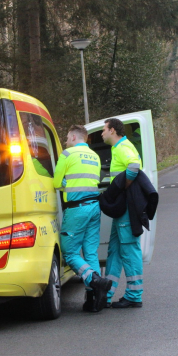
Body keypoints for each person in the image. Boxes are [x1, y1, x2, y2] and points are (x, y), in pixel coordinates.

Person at [53, 125, 112, 312]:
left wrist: (65, 184)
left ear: (72, 137)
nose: (65, 141)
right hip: (94, 208)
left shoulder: (68, 154)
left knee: (69, 253)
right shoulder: (94, 156)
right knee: (90, 253)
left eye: (66, 138)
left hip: (76, 209)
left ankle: (95, 281)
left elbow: (56, 182)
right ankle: (93, 300)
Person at [101, 118, 144, 308]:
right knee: (115, 251)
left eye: (103, 130)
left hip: (125, 207)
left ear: (112, 131)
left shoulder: (121, 147)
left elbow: (134, 166)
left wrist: (122, 187)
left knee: (129, 249)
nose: (101, 133)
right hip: (122, 209)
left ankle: (135, 296)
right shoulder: (119, 147)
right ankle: (107, 293)